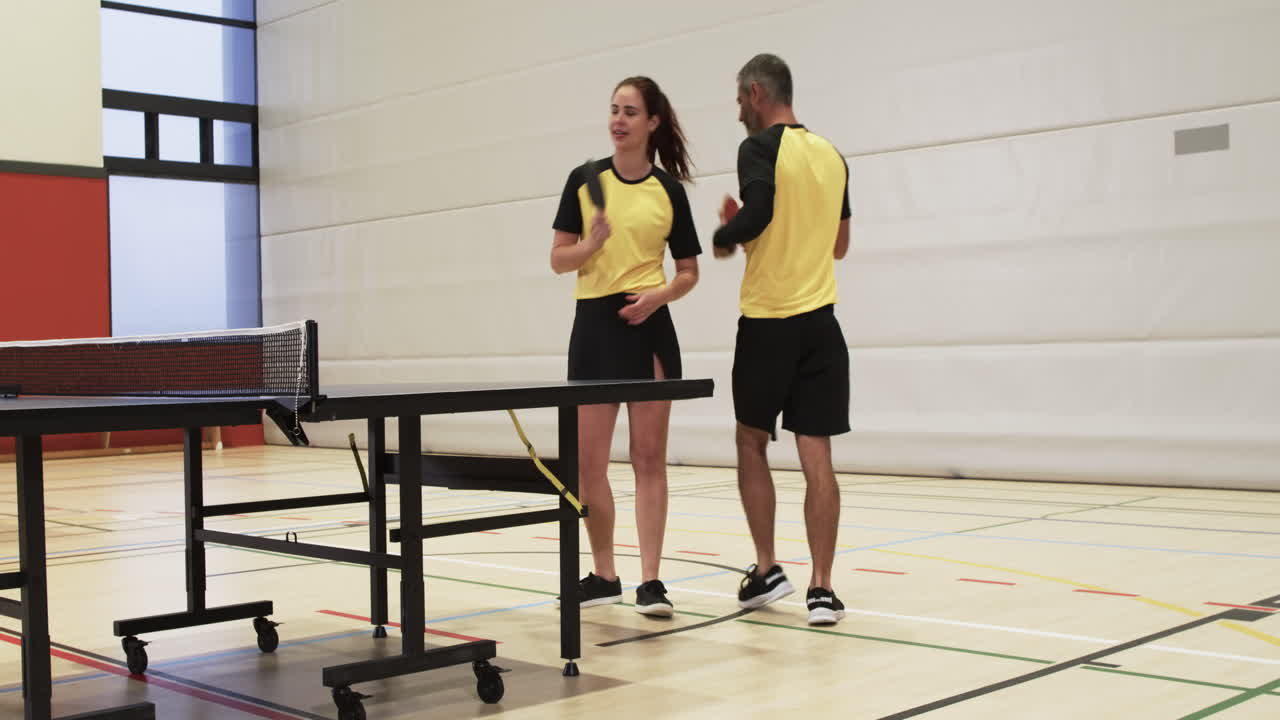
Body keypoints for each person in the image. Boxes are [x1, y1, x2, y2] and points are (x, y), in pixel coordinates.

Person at [549, 76, 701, 617]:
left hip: (648, 327)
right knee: (590, 464)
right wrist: (589, 245)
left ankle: (652, 580)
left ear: (652, 122)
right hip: (594, 326)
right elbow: (558, 258)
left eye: (630, 111)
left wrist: (657, 298)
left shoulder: (668, 192)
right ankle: (605, 572)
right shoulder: (586, 181)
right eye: (614, 110)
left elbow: (688, 272)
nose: (618, 120)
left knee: (647, 459)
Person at [712, 53, 851, 625]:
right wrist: (760, 232)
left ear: (755, 92)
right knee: (815, 453)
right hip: (821, 324)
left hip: (769, 323)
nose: (738, 110)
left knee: (751, 440)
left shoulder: (759, 147)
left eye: (739, 99)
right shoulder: (831, 155)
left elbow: (763, 212)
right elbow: (838, 245)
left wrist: (727, 232)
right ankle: (823, 589)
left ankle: (768, 568)